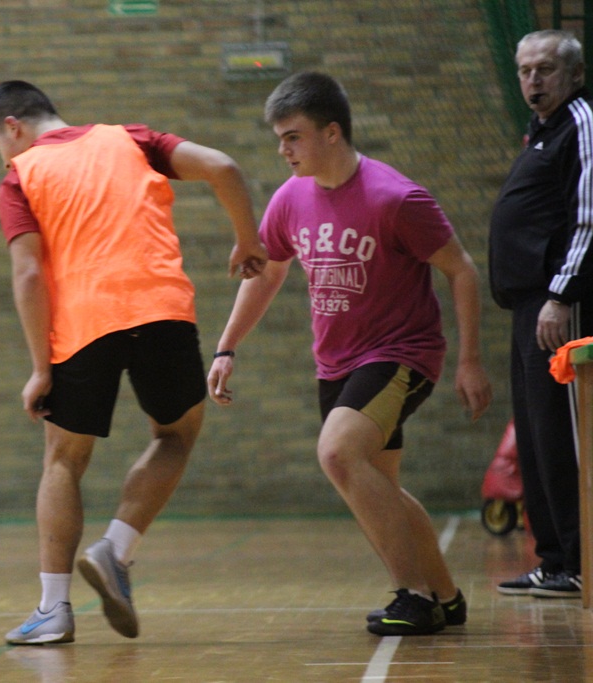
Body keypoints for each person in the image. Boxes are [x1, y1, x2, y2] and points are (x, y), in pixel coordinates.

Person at [0, 80, 268, 645]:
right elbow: (224, 167)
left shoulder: (21, 176)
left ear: (12, 126)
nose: (2, 156)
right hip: (163, 311)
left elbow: (29, 274)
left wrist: (40, 368)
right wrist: (246, 239)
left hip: (84, 324)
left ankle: (53, 609)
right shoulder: (131, 138)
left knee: (63, 460)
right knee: (176, 435)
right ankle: (116, 548)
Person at [207, 71, 493, 636]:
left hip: (400, 355)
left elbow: (461, 270)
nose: (282, 150)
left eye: (293, 136)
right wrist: (226, 346)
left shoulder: (396, 198)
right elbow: (267, 275)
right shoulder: (291, 199)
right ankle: (447, 595)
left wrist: (469, 360)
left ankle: (412, 596)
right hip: (335, 362)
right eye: (279, 139)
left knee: (337, 453)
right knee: (377, 481)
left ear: (332, 133)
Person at [489, 29, 593, 599]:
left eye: (546, 69)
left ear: (574, 75)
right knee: (533, 434)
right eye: (526, 69)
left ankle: (579, 559)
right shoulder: (542, 132)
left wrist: (561, 294)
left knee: (562, 434)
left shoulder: (582, 124)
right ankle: (554, 560)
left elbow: (588, 219)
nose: (533, 80)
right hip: (528, 307)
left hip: (559, 307)